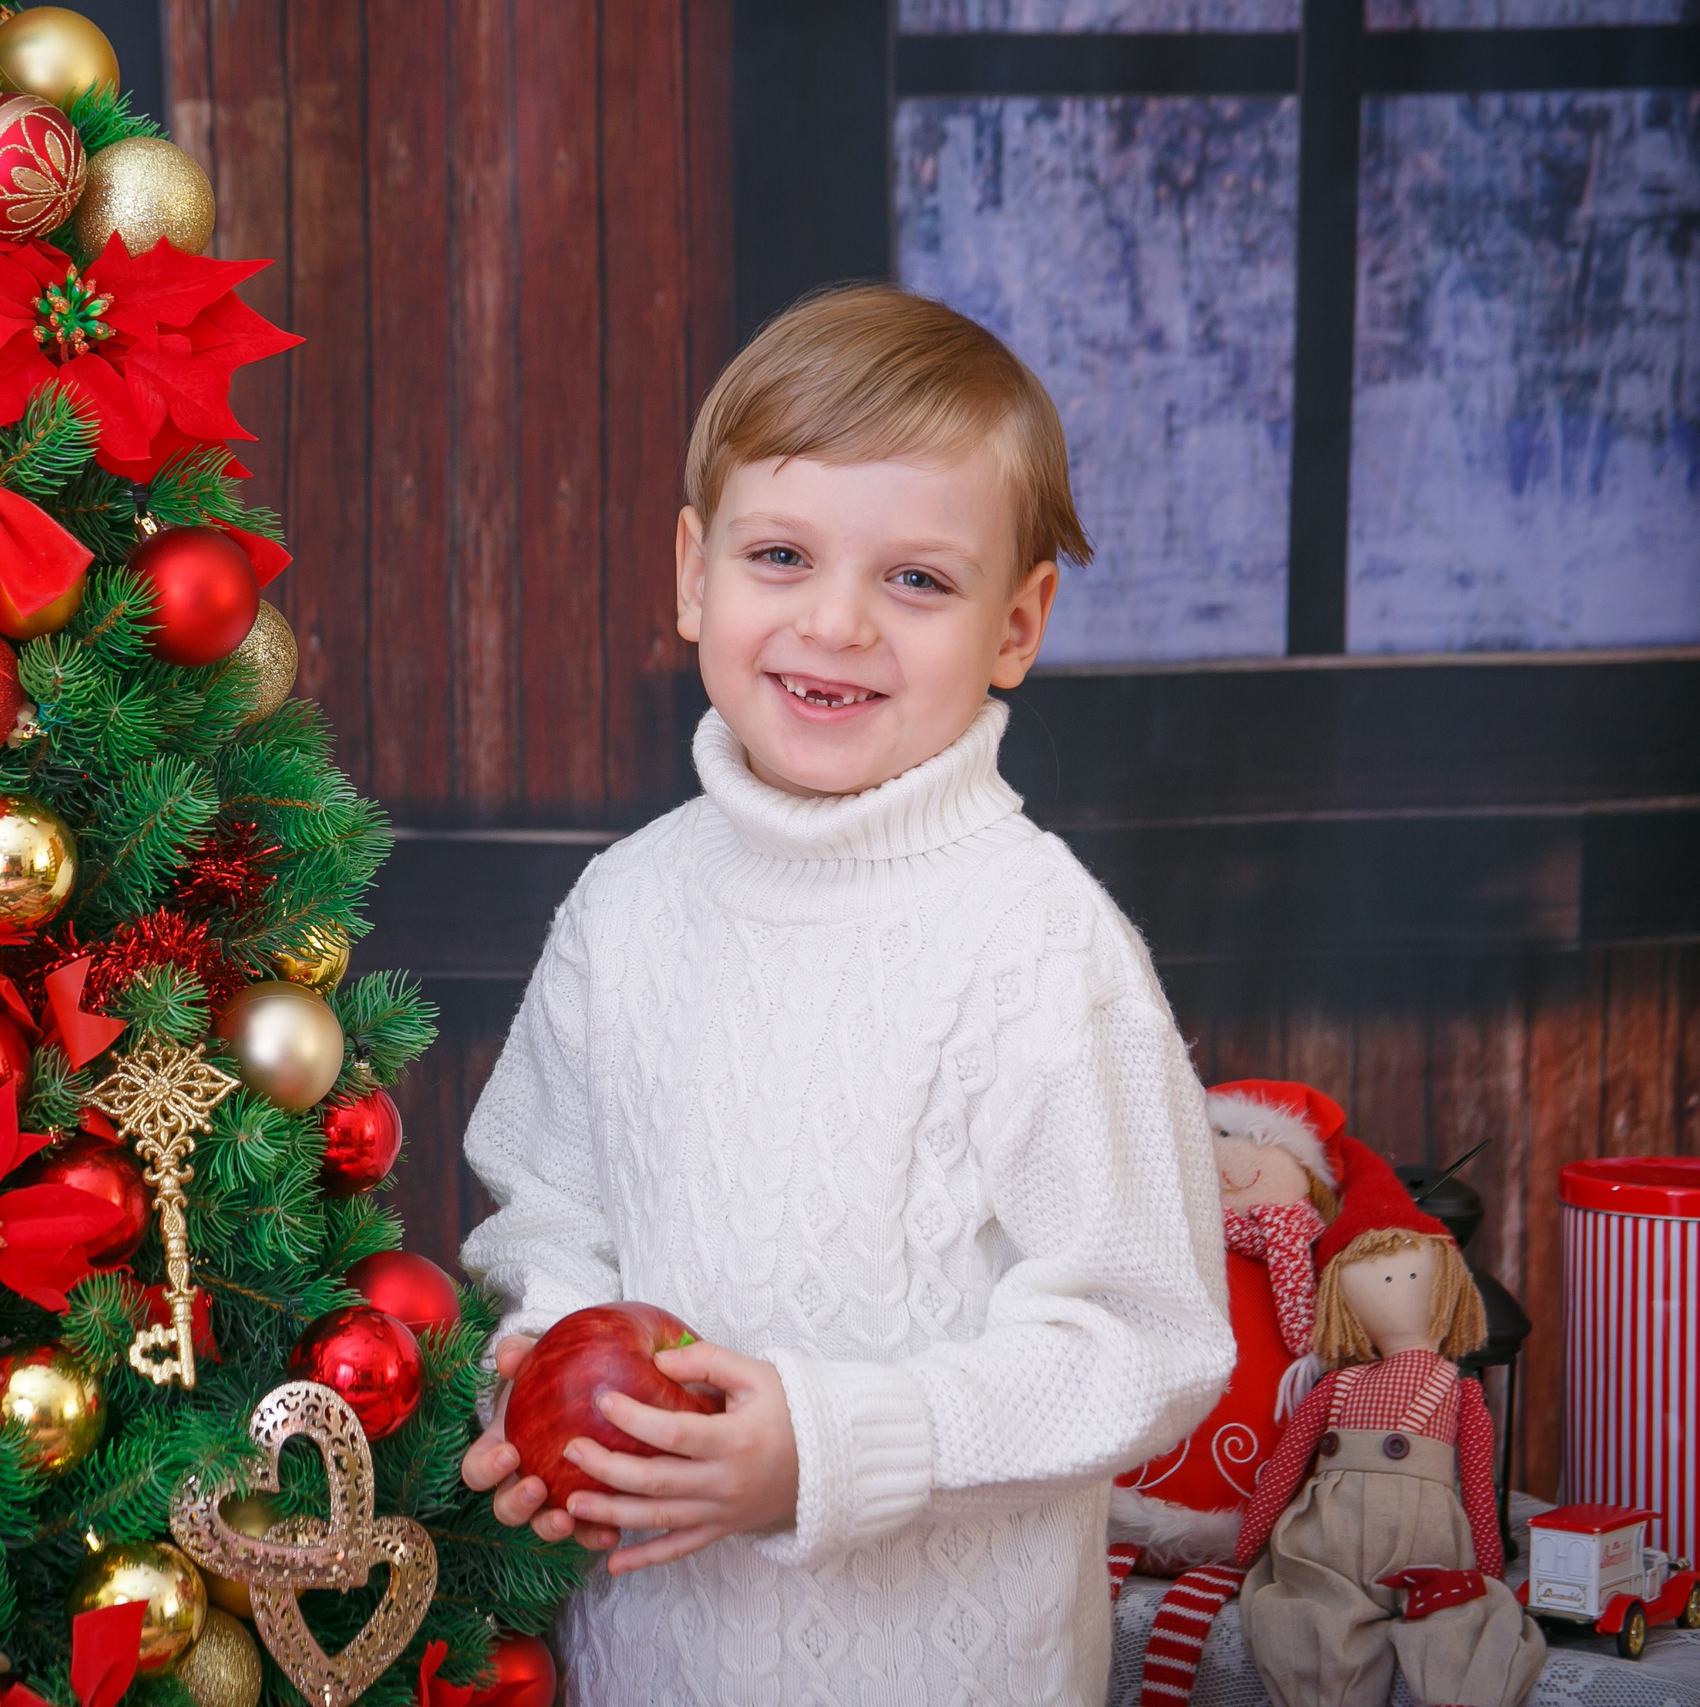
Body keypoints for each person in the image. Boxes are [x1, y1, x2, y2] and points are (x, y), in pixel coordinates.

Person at [457, 285, 1234, 1704]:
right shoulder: (624, 910)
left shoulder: (1042, 945)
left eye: (917, 580)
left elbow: (1144, 1339)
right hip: (655, 1658)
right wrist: (534, 1353)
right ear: (695, 572)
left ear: (1017, 622)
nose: (837, 620)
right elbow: (551, 1211)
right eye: (781, 553)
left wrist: (834, 1442)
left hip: (951, 1664)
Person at [1233, 1195, 1544, 1707]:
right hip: (1387, 1544)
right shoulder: (1345, 1384)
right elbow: (1480, 1493)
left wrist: (1247, 1547)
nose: (1396, 1286)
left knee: (1312, 1611)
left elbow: (1284, 1472)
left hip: (1339, 1542)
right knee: (1431, 1609)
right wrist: (1489, 1573)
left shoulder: (1448, 1388)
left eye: (1410, 1277)